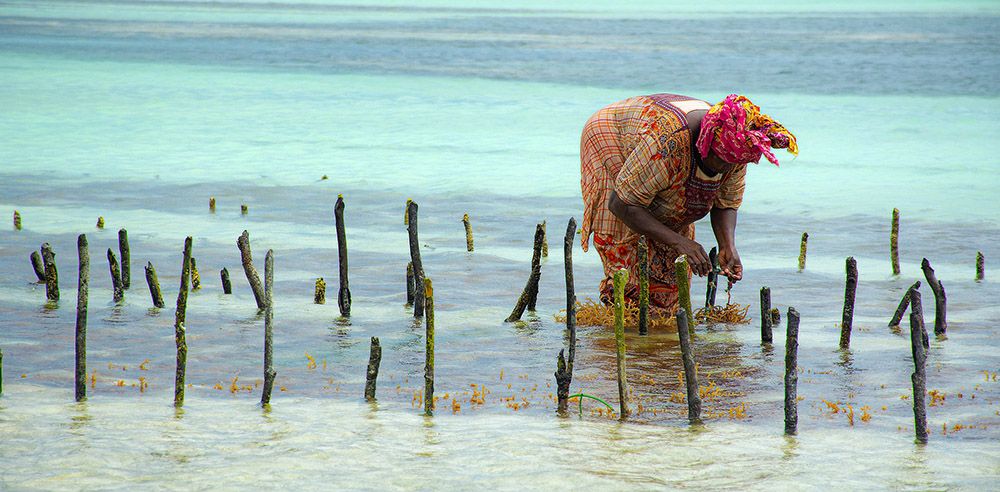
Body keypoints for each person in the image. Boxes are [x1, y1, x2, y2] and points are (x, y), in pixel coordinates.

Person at [579, 93, 797, 312]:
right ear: (706, 144)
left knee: (672, 262)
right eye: (720, 162)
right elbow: (621, 204)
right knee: (625, 244)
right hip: (611, 136)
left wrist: (727, 246)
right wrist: (679, 242)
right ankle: (623, 330)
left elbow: (726, 202)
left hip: (659, 145)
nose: (722, 170)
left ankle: (658, 330)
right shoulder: (667, 144)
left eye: (730, 165)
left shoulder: (736, 147)